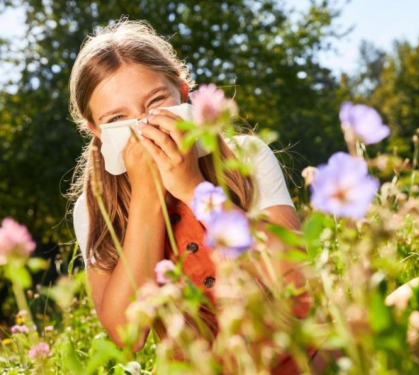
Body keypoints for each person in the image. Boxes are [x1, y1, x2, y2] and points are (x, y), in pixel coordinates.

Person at [69, 19, 315, 373]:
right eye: (118, 118)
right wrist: (146, 198)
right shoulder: (95, 209)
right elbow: (127, 335)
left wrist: (192, 186)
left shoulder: (244, 156)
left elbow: (294, 279)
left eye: (156, 102)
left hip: (305, 356)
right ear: (97, 131)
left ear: (183, 93)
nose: (143, 127)